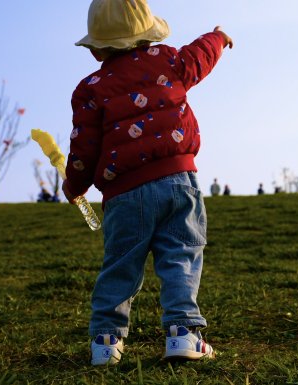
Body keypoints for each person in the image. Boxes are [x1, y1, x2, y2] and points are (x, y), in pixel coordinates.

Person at [61, 0, 233, 366]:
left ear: (96, 49)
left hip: (123, 193)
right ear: (148, 32)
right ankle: (183, 334)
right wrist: (217, 38)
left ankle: (106, 343)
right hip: (178, 181)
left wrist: (74, 184)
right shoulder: (168, 60)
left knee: (121, 264)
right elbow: (197, 57)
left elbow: (84, 147)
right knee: (181, 256)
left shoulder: (90, 88)